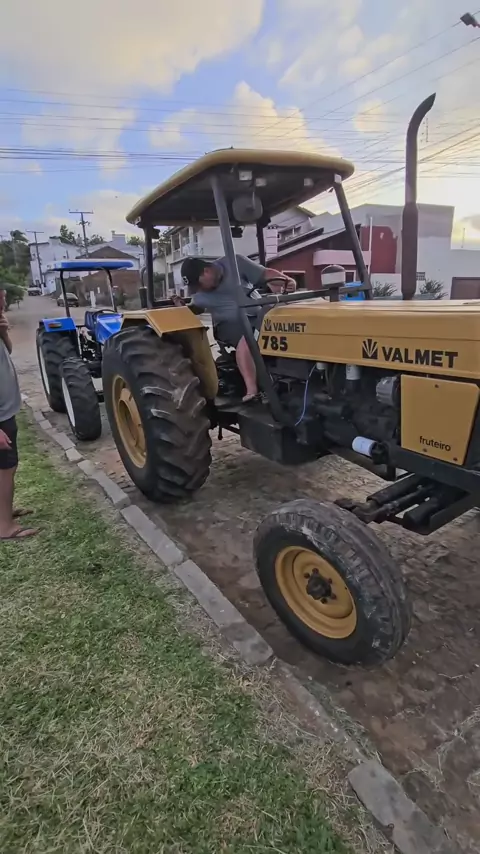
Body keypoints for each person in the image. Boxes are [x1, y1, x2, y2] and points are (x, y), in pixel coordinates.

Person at [178, 255, 295, 402]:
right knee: (247, 340)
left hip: (259, 316)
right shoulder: (199, 295)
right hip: (228, 326)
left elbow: (266, 274)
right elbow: (195, 308)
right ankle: (252, 390)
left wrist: (287, 281)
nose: (197, 290)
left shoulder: (235, 263)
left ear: (206, 271)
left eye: (198, 284)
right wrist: (182, 308)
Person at [0, 285, 38, 540]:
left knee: (5, 467)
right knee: (6, 468)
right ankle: (5, 527)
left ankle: (3, 511)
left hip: (6, 409)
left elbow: (8, 352)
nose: (3, 305)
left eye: (3, 299)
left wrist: (3, 333)